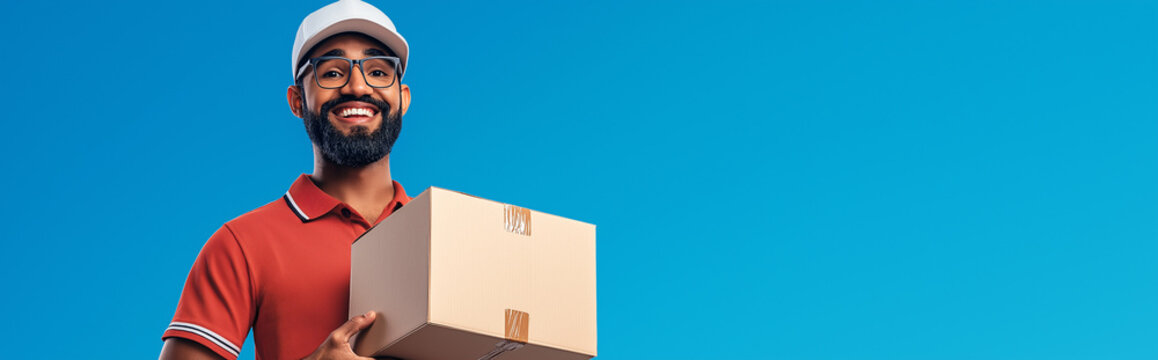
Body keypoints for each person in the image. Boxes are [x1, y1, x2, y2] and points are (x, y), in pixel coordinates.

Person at [159, 1, 412, 358]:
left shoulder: (443, 233)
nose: (358, 86)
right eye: (333, 72)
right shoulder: (241, 245)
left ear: (402, 98)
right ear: (297, 101)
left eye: (379, 71)